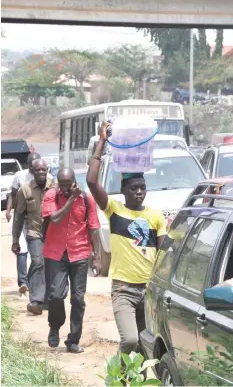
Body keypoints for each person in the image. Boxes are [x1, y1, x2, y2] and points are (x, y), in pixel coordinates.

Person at [86, 122, 167, 354]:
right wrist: (102, 141)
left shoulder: (156, 216)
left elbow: (162, 254)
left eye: (142, 187)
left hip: (148, 290)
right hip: (124, 290)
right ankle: (120, 379)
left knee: (144, 346)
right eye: (133, 188)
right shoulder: (114, 210)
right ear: (123, 190)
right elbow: (91, 182)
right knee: (130, 340)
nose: (139, 192)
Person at [42, 168, 101, 353]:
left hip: (80, 252)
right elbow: (55, 218)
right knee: (56, 295)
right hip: (56, 253)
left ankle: (73, 340)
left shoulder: (87, 199)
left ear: (75, 181)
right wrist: (70, 199)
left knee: (78, 298)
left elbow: (93, 227)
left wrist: (97, 257)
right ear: (58, 183)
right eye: (62, 184)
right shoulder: (51, 195)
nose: (66, 188)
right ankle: (55, 326)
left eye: (69, 184)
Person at [6, 153, 52, 295]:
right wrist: (15, 240)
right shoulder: (24, 189)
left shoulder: (54, 187)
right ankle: (31, 291)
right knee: (37, 260)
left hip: (51, 232)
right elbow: (18, 217)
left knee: (45, 264)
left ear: (47, 170)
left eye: (43, 169)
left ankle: (43, 294)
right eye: (37, 169)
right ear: (31, 168)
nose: (40, 172)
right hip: (33, 230)